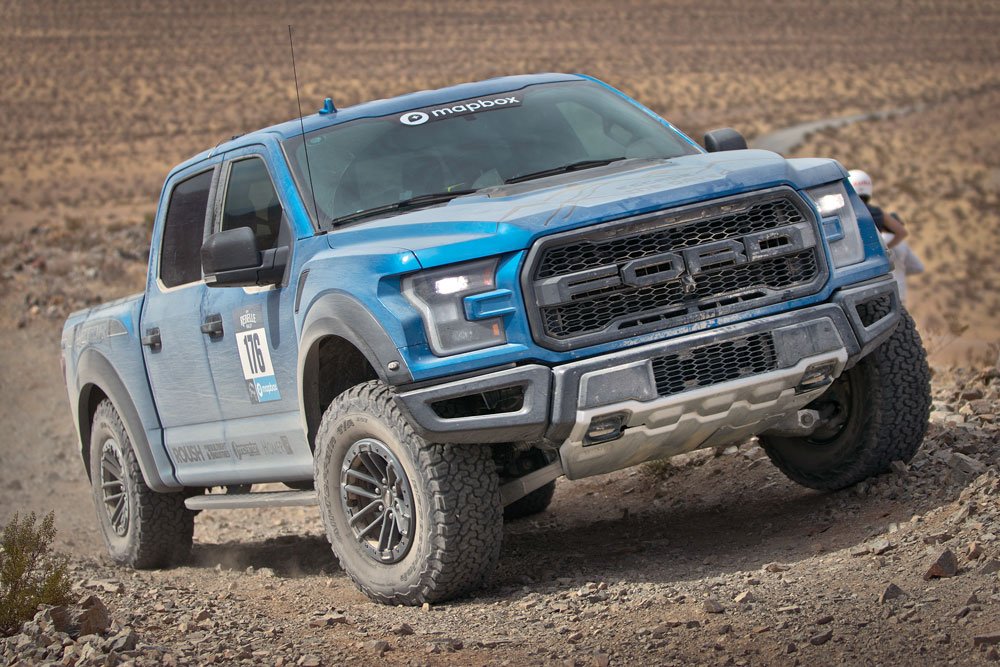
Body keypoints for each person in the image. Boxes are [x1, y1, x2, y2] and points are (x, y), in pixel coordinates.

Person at [848, 169, 924, 303]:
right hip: (896, 291)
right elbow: (901, 232)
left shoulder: (848, 215)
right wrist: (884, 248)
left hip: (867, 285)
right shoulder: (878, 213)